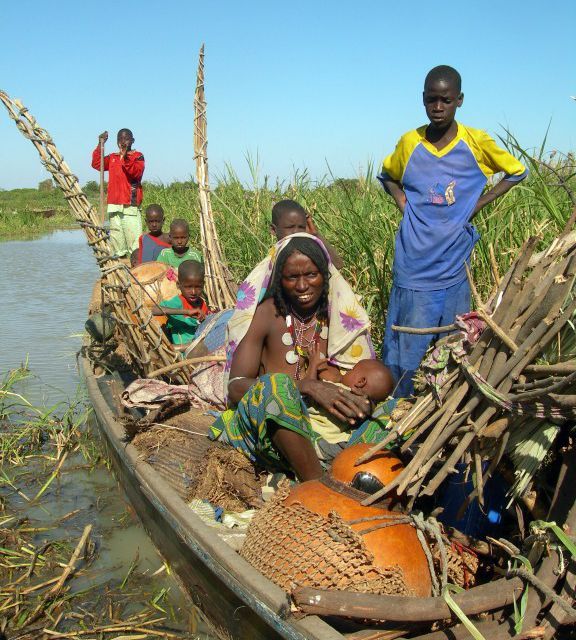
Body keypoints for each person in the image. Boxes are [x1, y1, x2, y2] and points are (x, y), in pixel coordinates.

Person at [378, 65, 527, 397]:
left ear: (459, 100)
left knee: (452, 340)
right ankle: (401, 406)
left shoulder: (475, 142)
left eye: (446, 99)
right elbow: (387, 175)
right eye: (432, 99)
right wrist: (402, 201)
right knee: (408, 344)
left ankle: (442, 404)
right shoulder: (410, 143)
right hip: (414, 260)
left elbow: (517, 171)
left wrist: (476, 204)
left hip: (454, 260)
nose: (438, 107)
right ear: (423, 100)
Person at [213, 234, 383, 481]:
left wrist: (362, 402)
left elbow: (359, 379)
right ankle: (315, 486)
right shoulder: (267, 314)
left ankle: (342, 466)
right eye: (292, 277)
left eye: (311, 275)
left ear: (325, 276)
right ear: (280, 280)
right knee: (276, 386)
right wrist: (307, 386)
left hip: (329, 434)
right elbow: (236, 386)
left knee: (393, 410)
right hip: (272, 433)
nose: (302, 286)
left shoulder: (338, 318)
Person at [92, 129, 145, 259]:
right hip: (114, 205)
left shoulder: (137, 156)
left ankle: (136, 270)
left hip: (130, 205)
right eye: (120, 139)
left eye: (126, 139)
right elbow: (97, 164)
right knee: (117, 244)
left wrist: (125, 156)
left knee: (135, 244)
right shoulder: (113, 158)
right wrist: (100, 144)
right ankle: (120, 269)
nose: (123, 142)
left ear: (132, 140)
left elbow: (135, 172)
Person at [152, 260, 209, 349]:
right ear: (179, 285)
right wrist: (186, 311)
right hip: (182, 348)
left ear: (203, 285)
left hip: (201, 344)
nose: (193, 292)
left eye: (198, 287)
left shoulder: (202, 303)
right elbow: (154, 310)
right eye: (188, 287)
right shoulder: (177, 302)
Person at [271, 199, 343, 269]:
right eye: (290, 227)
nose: (297, 233)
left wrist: (315, 234)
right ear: (273, 230)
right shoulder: (272, 259)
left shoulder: (308, 253)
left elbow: (338, 265)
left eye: (301, 227)